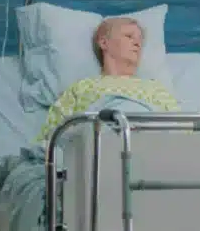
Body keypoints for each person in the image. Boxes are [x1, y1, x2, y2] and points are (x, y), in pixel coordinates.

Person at [38, 17, 179, 141]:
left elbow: (181, 133)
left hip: (149, 147)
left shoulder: (155, 88)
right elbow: (52, 137)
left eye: (140, 40)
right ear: (104, 43)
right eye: (129, 36)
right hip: (98, 151)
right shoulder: (82, 87)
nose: (138, 43)